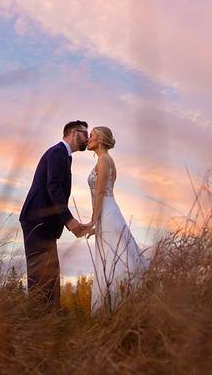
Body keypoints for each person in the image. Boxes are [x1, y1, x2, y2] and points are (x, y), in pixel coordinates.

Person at [18, 120, 93, 307]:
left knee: (50, 274)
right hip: (37, 220)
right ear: (74, 133)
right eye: (85, 133)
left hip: (46, 223)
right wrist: (69, 220)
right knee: (40, 275)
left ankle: (50, 319)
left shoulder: (65, 156)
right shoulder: (58, 152)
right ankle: (38, 319)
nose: (88, 137)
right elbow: (53, 187)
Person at [85, 126, 148, 312]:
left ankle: (118, 306)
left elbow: (101, 192)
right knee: (112, 257)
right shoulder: (107, 160)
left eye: (92, 135)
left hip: (107, 213)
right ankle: (116, 306)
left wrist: (92, 221)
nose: (88, 138)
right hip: (107, 213)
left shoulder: (104, 160)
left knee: (116, 258)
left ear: (101, 140)